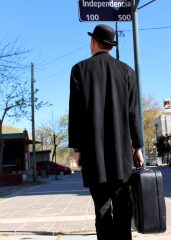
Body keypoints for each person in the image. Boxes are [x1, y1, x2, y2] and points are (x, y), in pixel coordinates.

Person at [68, 24, 144, 240]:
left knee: (102, 211)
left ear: (93, 42)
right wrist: (137, 147)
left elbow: (76, 114)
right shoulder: (128, 72)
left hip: (94, 158)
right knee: (123, 210)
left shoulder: (79, 70)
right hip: (121, 157)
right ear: (110, 46)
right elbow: (133, 113)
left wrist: (77, 149)